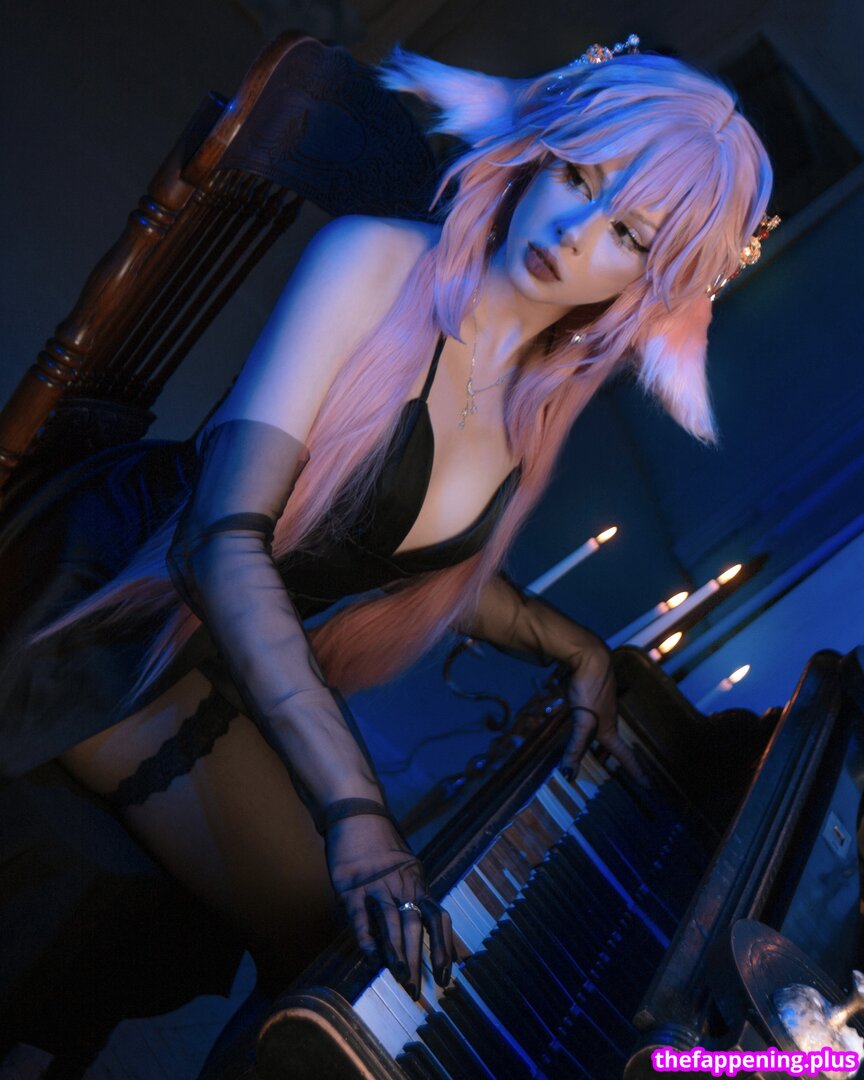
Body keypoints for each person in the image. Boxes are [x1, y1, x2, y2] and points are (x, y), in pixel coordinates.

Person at [0, 39, 772, 1026]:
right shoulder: (374, 262)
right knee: (342, 949)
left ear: (651, 281)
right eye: (579, 175)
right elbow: (218, 540)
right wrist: (356, 811)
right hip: (122, 600)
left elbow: (396, 549)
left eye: (626, 232)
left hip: (225, 649)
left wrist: (572, 647)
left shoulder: (534, 398)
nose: (574, 231)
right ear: (540, 154)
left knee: (365, 953)